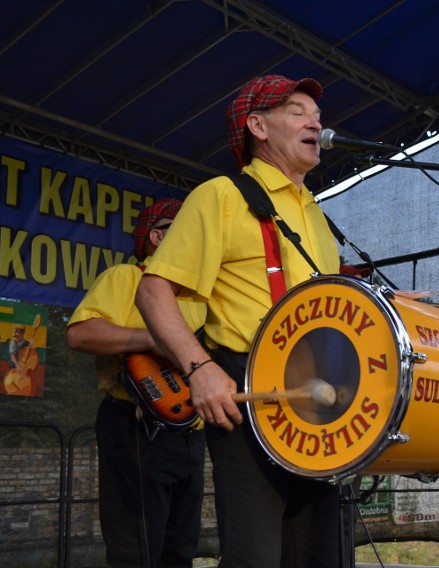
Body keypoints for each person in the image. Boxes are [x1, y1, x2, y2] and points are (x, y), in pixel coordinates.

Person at [135, 75, 342, 567]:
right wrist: (200, 368)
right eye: (296, 110)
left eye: (316, 113)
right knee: (255, 556)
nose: (315, 121)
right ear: (257, 126)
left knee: (318, 555)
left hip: (319, 398)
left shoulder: (315, 212)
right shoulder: (221, 195)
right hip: (250, 390)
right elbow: (152, 289)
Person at [66, 198, 207, 568]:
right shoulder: (125, 278)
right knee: (137, 550)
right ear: (158, 236)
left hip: (191, 432)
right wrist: (150, 339)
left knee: (181, 549)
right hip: (135, 425)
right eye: (184, 228)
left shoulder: (202, 296)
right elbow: (80, 334)